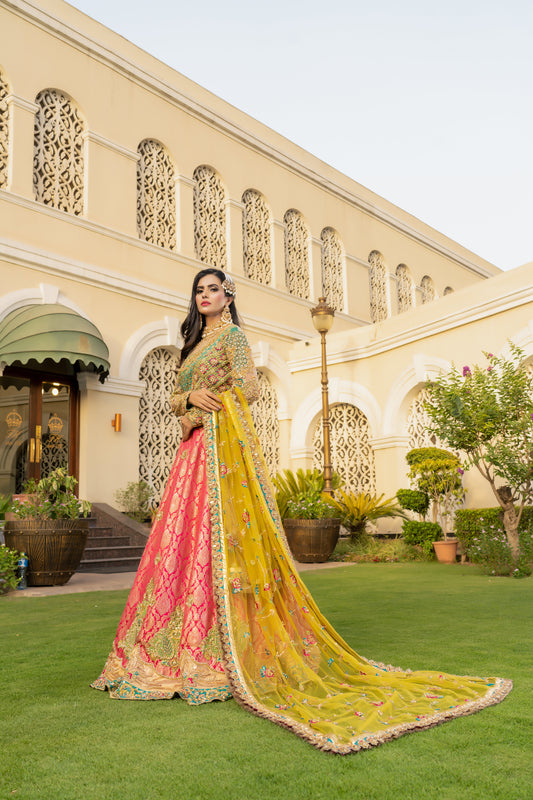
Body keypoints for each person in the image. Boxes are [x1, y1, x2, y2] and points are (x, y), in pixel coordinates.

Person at [92, 269, 511, 754]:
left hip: (219, 453)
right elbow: (172, 399)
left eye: (213, 290)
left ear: (228, 299)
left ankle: (220, 647)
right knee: (183, 547)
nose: (205, 296)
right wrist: (189, 398)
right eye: (199, 290)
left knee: (220, 543)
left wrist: (210, 402)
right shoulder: (190, 345)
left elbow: (247, 390)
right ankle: (181, 640)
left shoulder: (233, 337)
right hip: (192, 455)